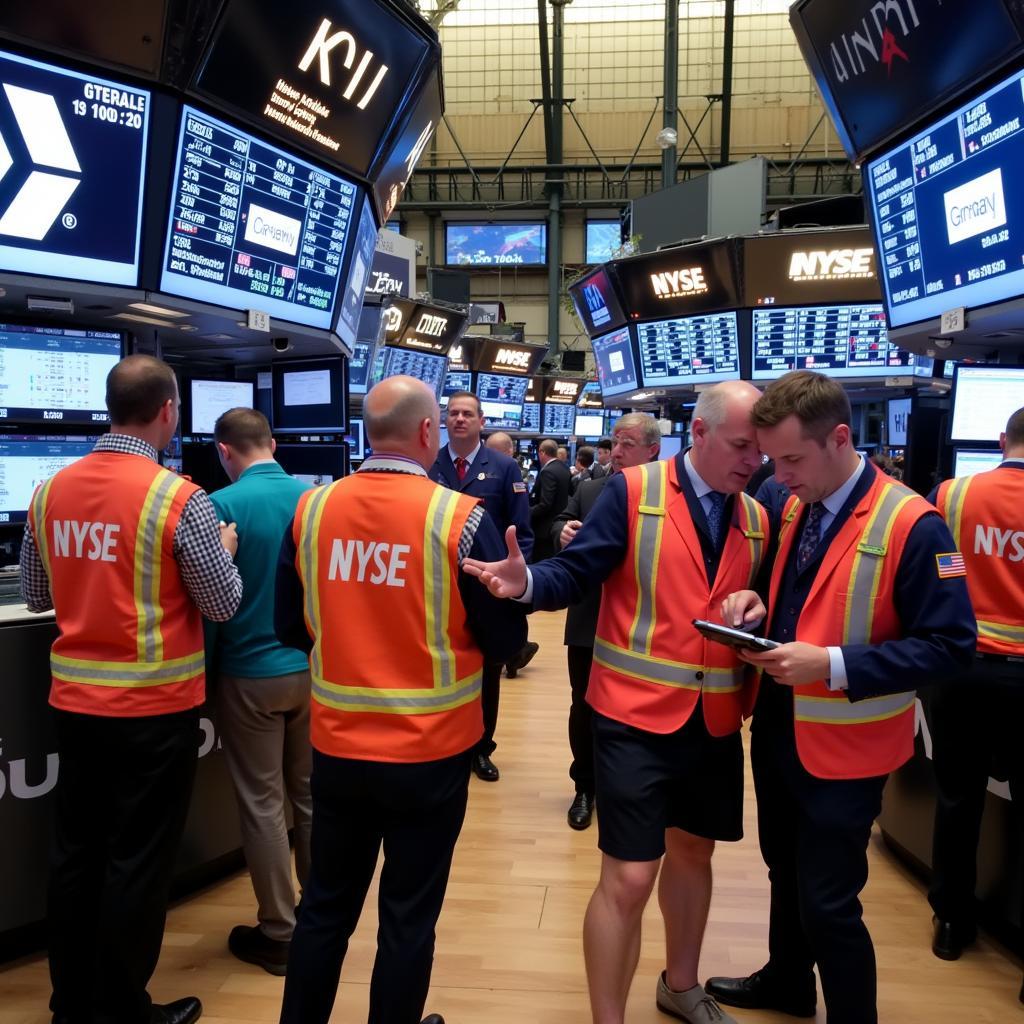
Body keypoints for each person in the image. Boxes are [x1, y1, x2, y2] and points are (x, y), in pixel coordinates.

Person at [464, 380, 770, 1024]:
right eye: (743, 444)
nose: (755, 459)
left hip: (714, 720)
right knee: (630, 876)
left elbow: (751, 601)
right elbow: (578, 571)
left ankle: (681, 985)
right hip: (632, 716)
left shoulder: (756, 516)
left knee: (694, 853)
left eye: (762, 448)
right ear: (700, 434)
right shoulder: (634, 492)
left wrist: (759, 610)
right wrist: (526, 585)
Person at [705, 370, 976, 1024]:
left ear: (842, 439)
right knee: (781, 871)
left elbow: (951, 647)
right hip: (779, 727)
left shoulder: (916, 524)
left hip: (847, 749)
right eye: (773, 459)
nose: (779, 474)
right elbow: (807, 598)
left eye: (793, 459)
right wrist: (757, 603)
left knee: (830, 901)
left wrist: (829, 664)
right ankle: (787, 983)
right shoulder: (797, 502)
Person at [275, 376, 526, 1024]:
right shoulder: (462, 517)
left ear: (366, 431)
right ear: (426, 432)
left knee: (324, 908)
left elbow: (287, 626)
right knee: (407, 919)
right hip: (430, 755)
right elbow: (503, 643)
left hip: (336, 748)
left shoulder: (312, 511)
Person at [21, 354, 242, 1024]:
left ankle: (70, 1005)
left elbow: (35, 596)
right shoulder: (179, 498)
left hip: (75, 706)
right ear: (169, 412)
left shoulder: (49, 491)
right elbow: (222, 603)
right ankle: (122, 1007)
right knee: (137, 862)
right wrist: (224, 552)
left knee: (76, 857)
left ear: (109, 405)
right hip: (154, 708)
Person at [207, 407, 313, 976]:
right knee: (311, 796)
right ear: (272, 443)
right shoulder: (313, 501)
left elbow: (207, 604)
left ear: (225, 452)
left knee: (263, 804)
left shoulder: (220, 506)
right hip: (311, 670)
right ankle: (321, 915)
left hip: (249, 673)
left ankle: (279, 929)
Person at [927, 406, 1024, 1000]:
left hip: (963, 670)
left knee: (957, 797)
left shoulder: (954, 494)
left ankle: (950, 921)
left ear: (1000, 440)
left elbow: (941, 569)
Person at [551, 414, 660, 831]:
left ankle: (629, 787)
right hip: (589, 618)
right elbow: (563, 519)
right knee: (584, 703)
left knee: (634, 709)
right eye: (615, 442)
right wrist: (562, 532)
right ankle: (585, 786)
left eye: (627, 443)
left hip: (643, 621)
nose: (616, 451)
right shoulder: (591, 488)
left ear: (652, 450)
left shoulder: (666, 499)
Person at [429, 391, 536, 782]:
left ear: (480, 420)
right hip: (436, 586)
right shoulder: (429, 465)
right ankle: (446, 743)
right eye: (453, 413)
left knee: (487, 669)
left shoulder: (505, 468)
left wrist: (514, 584)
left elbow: (521, 533)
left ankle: (482, 748)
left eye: (467, 414)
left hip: (487, 586)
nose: (459, 419)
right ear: (444, 420)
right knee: (441, 665)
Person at [530, 438, 572, 562]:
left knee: (541, 561)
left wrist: (526, 513)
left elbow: (545, 504)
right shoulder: (564, 468)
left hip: (544, 529)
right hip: (559, 525)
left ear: (542, 452)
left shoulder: (547, 471)